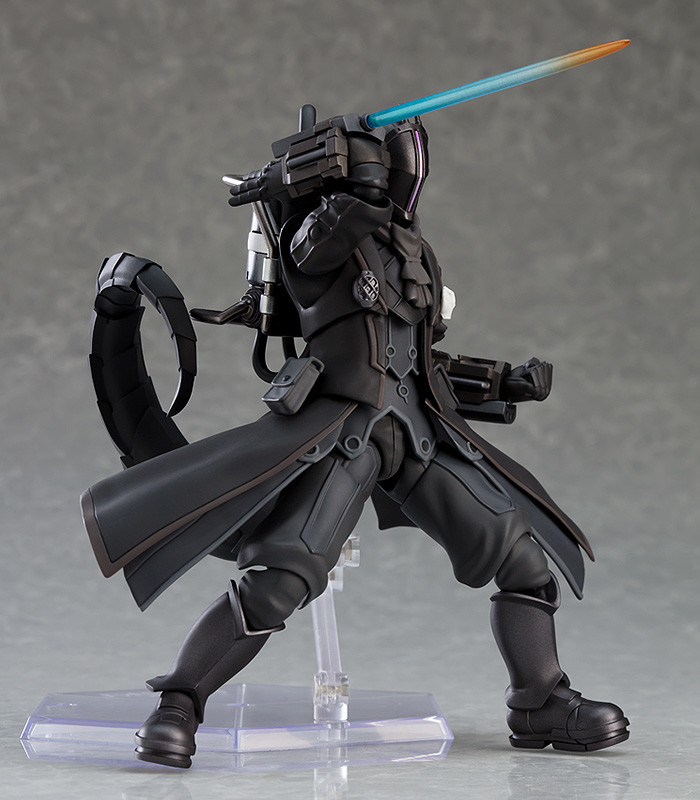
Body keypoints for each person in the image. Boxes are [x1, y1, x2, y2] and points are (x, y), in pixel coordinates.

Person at [82, 113, 628, 768]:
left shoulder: (412, 254)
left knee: (523, 559)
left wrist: (502, 380)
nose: (400, 174)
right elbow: (334, 229)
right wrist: (347, 180)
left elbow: (420, 358)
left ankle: (539, 700)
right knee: (280, 579)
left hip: (417, 434)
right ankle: (179, 703)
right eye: (381, 166)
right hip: (343, 435)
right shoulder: (313, 242)